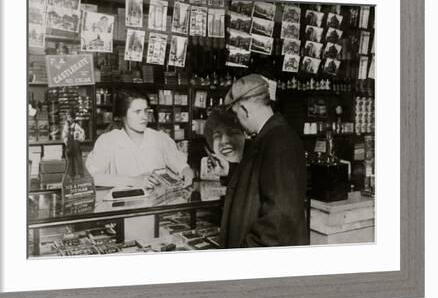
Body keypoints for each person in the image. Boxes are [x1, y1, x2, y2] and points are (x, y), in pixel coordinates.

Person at [211, 74, 308, 248]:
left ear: (245, 110)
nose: (238, 123)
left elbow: (280, 218)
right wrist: (231, 170)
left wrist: (246, 250)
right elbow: (263, 178)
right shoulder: (270, 136)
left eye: (236, 116)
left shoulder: (279, 142)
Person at [85, 89, 194, 189]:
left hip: (158, 206)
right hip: (125, 207)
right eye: (137, 112)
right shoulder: (108, 141)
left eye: (146, 111)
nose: (144, 117)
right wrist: (134, 181)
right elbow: (92, 176)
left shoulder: (159, 138)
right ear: (123, 115)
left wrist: (187, 173)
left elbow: (181, 166)